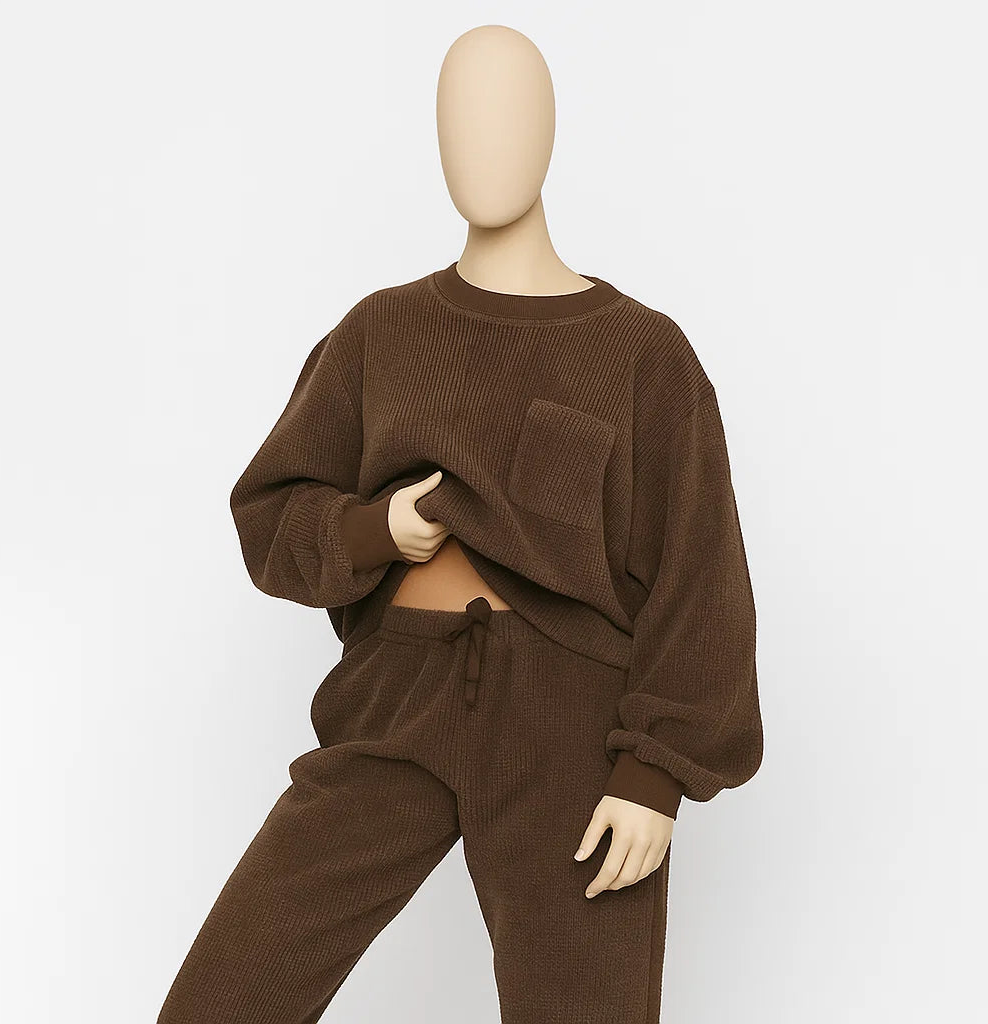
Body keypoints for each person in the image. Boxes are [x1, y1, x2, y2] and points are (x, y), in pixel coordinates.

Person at [157, 26, 763, 1024]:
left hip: (571, 719)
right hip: (397, 691)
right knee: (225, 998)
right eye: (461, 122)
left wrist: (655, 772)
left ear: (552, 133)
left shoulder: (641, 352)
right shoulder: (380, 332)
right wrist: (371, 531)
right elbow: (269, 514)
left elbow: (701, 577)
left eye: (509, 117)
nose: (485, 146)